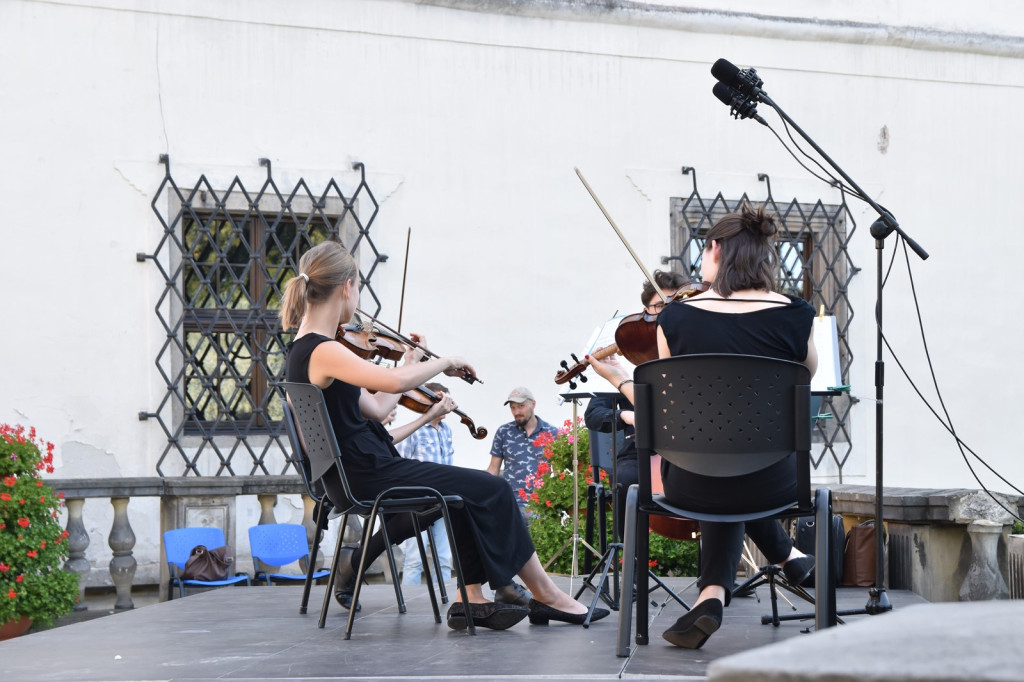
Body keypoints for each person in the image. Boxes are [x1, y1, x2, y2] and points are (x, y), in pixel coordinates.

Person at [281, 241, 607, 630]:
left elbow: (380, 407)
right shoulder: (323, 350)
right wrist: (445, 361)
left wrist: (409, 361)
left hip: (359, 471)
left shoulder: (306, 351)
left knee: (461, 497)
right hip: (368, 473)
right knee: (492, 487)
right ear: (346, 288)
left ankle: (469, 598)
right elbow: (388, 381)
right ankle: (548, 597)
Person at [589, 204, 817, 649]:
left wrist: (619, 379)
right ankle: (756, 570)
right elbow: (804, 379)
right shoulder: (796, 313)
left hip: (691, 483)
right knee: (735, 458)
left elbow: (668, 412)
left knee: (714, 456)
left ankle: (711, 594)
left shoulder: (676, 318)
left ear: (715, 249)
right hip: (775, 483)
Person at [584, 269, 691, 531]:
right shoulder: (628, 356)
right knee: (626, 481)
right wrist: (626, 415)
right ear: (646, 310)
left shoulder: (691, 349)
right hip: (640, 449)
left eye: (676, 305)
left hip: (688, 447)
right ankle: (627, 556)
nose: (668, 313)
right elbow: (593, 414)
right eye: (659, 306)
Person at [396, 381, 456, 586]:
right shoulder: (415, 429)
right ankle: (409, 603)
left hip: (443, 500)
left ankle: (445, 599)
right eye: (441, 400)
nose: (446, 405)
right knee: (414, 559)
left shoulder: (447, 430)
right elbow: (399, 464)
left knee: (445, 558)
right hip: (418, 502)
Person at [486, 387, 558, 513]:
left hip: (541, 505)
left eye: (521, 406)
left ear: (533, 404)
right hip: (510, 504)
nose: (516, 411)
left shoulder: (552, 433)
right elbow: (493, 469)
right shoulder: (503, 432)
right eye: (513, 407)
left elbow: (558, 471)